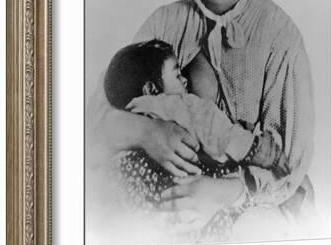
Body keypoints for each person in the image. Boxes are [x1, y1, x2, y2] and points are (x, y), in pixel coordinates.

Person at [88, 0, 315, 240]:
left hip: (258, 205)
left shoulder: (281, 35)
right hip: (171, 194)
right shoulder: (165, 21)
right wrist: (147, 133)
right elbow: (95, 121)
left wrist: (224, 192)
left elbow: (292, 161)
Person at [103, 38, 290, 216]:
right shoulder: (179, 104)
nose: (184, 81)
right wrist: (259, 151)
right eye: (177, 75)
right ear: (151, 89)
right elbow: (216, 130)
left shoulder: (131, 116)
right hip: (186, 189)